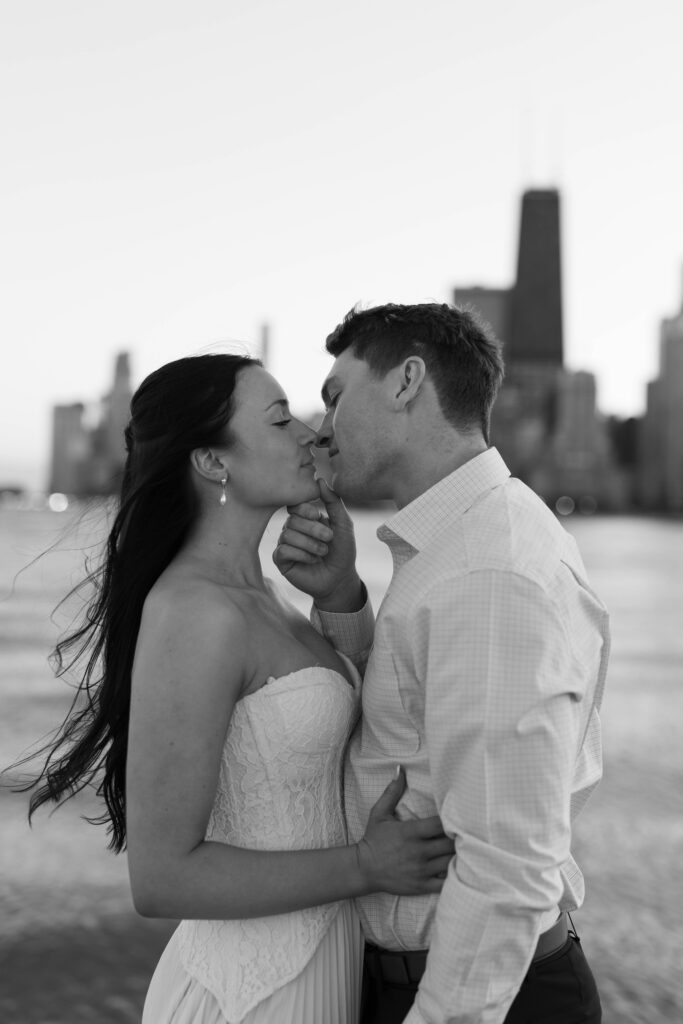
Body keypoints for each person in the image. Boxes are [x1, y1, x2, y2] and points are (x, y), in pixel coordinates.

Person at [22, 353, 455, 1024]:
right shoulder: (194, 612)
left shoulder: (267, 597)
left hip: (322, 975)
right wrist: (364, 867)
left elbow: (363, 723)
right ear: (212, 462)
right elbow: (163, 877)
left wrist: (338, 592)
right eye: (279, 419)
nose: (310, 432)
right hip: (247, 998)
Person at [273, 303, 610, 1024]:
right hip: (429, 979)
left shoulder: (487, 570)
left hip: (477, 995)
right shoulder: (461, 543)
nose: (324, 425)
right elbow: (411, 723)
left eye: (336, 394)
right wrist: (339, 595)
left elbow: (506, 863)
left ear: (406, 381)